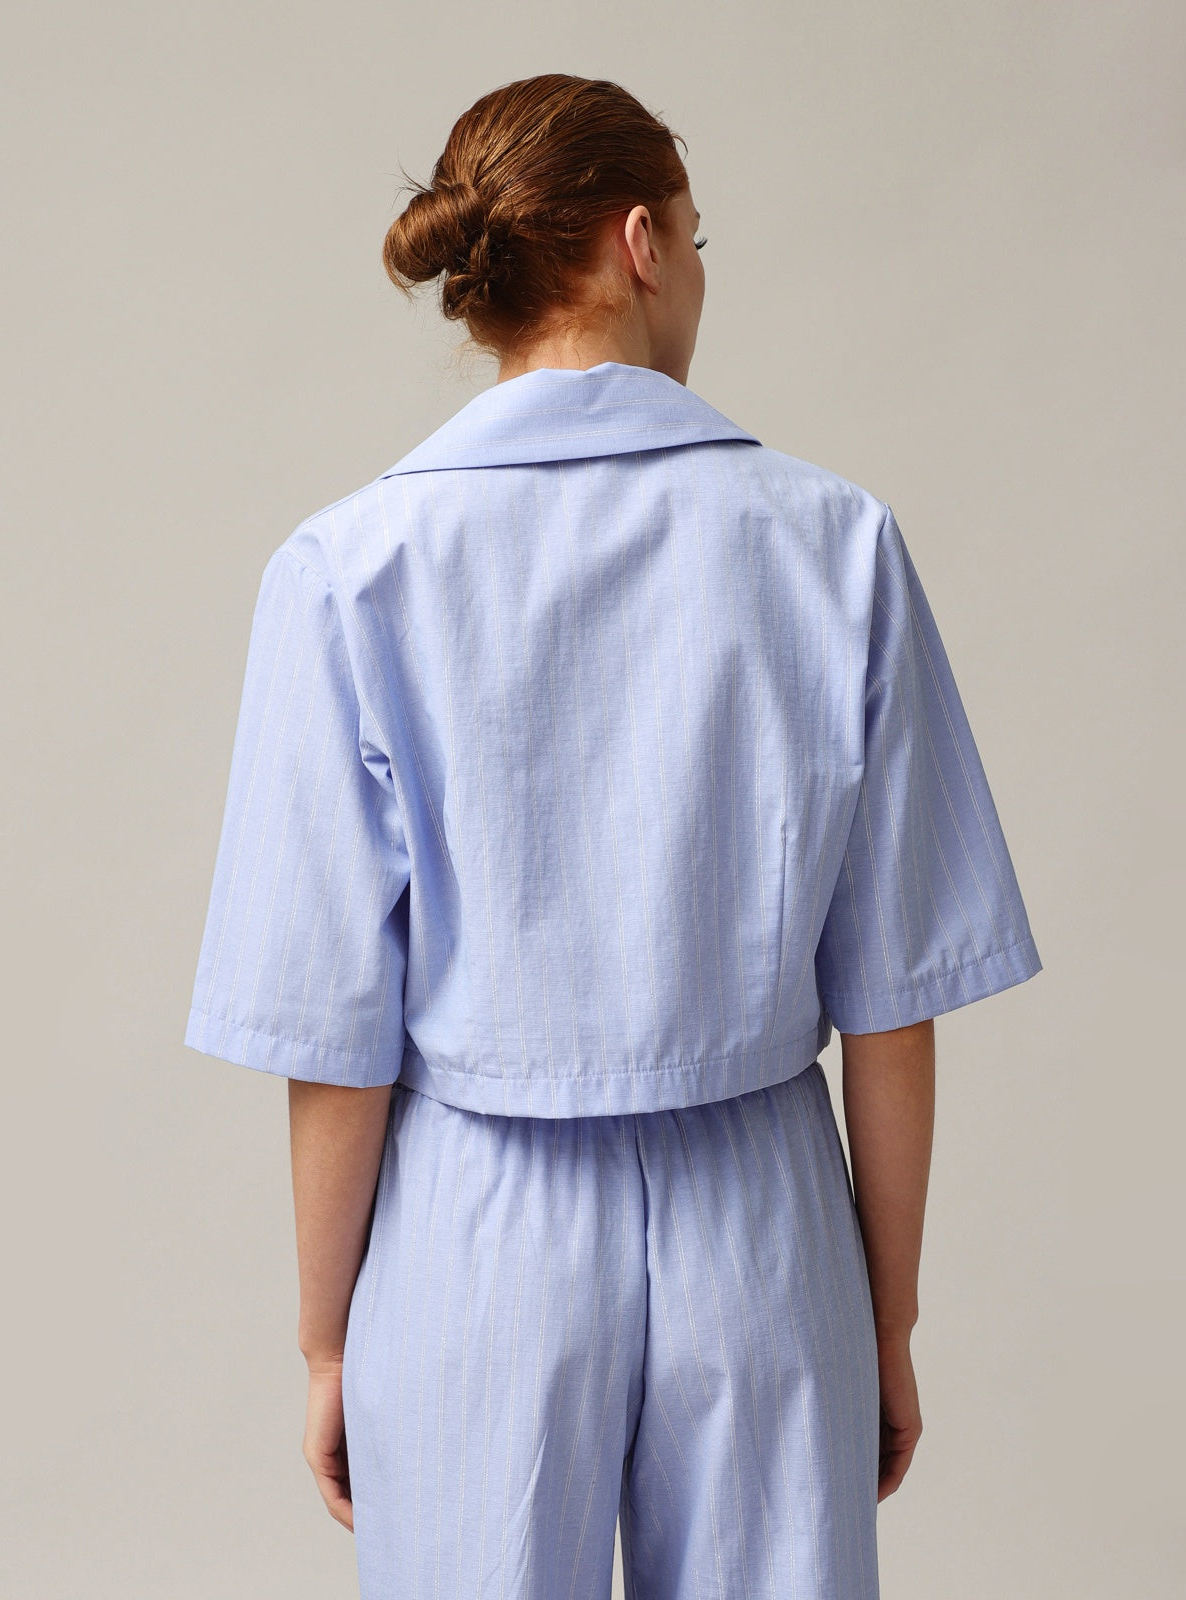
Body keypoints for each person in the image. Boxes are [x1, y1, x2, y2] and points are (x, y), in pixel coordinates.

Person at [183, 72, 1042, 1600]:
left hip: (473, 1223)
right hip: (761, 1212)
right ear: (642, 242)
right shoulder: (834, 543)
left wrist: (327, 1339)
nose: (699, 273)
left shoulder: (347, 567)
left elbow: (335, 1035)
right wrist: (885, 1317)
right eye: (697, 239)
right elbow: (893, 1008)